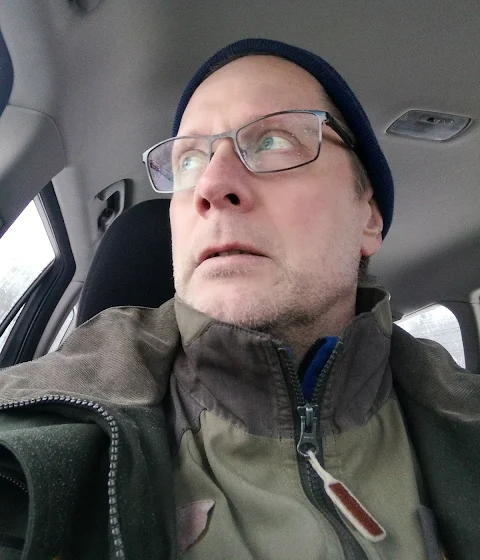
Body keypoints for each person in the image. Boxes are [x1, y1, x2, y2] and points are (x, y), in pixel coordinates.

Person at [0, 39, 478, 560]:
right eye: (188, 160)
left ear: (369, 216)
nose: (211, 184)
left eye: (273, 140)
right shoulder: (40, 427)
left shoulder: (464, 420)